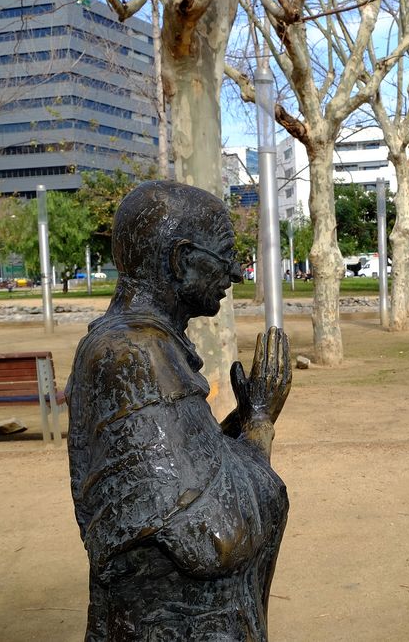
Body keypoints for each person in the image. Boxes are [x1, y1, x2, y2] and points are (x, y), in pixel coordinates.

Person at [67, 181, 292, 641]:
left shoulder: (153, 348)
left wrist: (235, 429)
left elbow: (188, 470)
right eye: (225, 256)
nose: (234, 272)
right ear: (181, 260)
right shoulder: (132, 355)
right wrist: (259, 423)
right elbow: (217, 535)